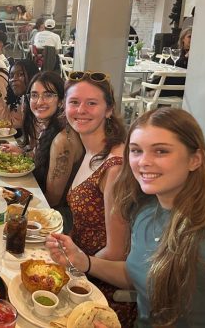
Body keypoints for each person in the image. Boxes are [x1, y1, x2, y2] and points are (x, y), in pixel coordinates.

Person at [46, 107, 205, 327]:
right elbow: (136, 273)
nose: (144, 161)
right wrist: (84, 261)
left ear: (195, 159)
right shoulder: (145, 213)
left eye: (161, 151)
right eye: (136, 150)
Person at [63, 71, 135, 326]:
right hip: (78, 263)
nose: (81, 110)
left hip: (98, 295)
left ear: (108, 110)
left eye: (91, 103)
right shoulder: (92, 151)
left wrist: (70, 273)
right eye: (74, 102)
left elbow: (116, 252)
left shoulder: (114, 166)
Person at [0, 72, 83, 211]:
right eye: (34, 95)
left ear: (62, 100)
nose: (39, 101)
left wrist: (15, 202)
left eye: (48, 95)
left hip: (59, 217)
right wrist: (22, 153)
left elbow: (53, 200)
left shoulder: (62, 141)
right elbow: (44, 159)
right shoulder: (48, 126)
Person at [0, 59, 39, 129]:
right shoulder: (20, 98)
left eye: (20, 74)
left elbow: (18, 124)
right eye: (11, 76)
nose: (14, 79)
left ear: (32, 76)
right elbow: (6, 120)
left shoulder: (38, 102)